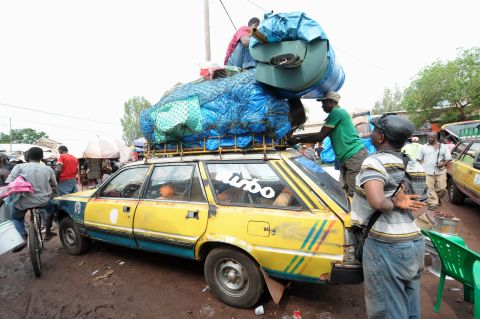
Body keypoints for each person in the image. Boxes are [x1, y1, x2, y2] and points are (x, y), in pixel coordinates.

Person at [351, 114, 426, 318]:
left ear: (381, 137)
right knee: (410, 307)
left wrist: (394, 202)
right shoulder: (414, 165)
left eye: (374, 130)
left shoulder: (374, 163)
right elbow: (421, 206)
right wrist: (403, 210)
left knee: (386, 309)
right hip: (415, 242)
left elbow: (377, 202)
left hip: (387, 245)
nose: (372, 134)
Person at [292, 91, 368, 196]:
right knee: (343, 191)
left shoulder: (337, 113)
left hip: (354, 156)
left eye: (324, 103)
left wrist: (297, 139)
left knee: (353, 193)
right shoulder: (337, 114)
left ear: (332, 102)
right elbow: (320, 134)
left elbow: (320, 136)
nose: (322, 106)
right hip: (348, 158)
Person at [5, 147, 57, 251]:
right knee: (52, 209)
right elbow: (55, 184)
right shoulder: (48, 168)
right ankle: (47, 232)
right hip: (43, 201)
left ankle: (23, 237)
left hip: (23, 202)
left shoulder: (19, 167)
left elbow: (9, 183)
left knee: (16, 218)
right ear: (42, 157)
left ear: (27, 157)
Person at [417, 132, 452, 211]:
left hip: (441, 171)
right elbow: (418, 159)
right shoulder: (423, 147)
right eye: (428, 137)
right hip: (427, 171)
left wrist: (443, 164)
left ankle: (436, 199)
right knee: (429, 188)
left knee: (442, 189)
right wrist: (418, 169)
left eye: (431, 137)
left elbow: (448, 158)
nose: (429, 138)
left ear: (436, 138)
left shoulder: (443, 147)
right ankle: (433, 203)